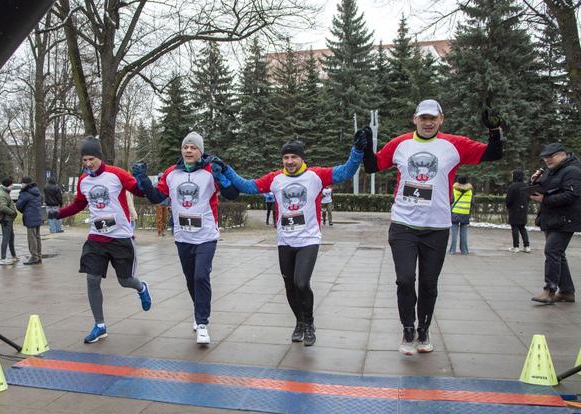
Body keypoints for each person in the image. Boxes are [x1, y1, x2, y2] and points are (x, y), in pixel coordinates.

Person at [361, 99, 503, 355]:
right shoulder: (400, 144)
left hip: (436, 228)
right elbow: (373, 166)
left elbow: (494, 154)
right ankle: (407, 329)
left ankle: (423, 329)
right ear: (415, 119)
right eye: (423, 118)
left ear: (441, 119)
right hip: (403, 225)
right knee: (405, 280)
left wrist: (495, 131)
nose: (428, 123)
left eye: (432, 118)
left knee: (428, 284)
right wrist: (365, 147)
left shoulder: (454, 145)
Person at [222, 137, 365, 346]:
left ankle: (309, 323)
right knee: (289, 286)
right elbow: (247, 186)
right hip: (285, 241)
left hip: (308, 239)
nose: (289, 161)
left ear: (302, 158)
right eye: (286, 157)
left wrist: (357, 151)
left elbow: (346, 171)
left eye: (294, 157)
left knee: (301, 282)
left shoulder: (315, 176)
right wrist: (226, 170)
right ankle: (299, 322)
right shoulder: (276, 178)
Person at [132, 131, 239, 345]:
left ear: (200, 151)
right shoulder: (172, 173)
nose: (188, 150)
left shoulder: (211, 170)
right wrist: (143, 179)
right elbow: (156, 197)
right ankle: (198, 312)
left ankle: (202, 323)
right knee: (191, 280)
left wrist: (224, 176)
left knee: (201, 276)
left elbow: (233, 194)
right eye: (185, 147)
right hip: (183, 236)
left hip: (206, 235)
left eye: (193, 147)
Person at [48, 136, 152, 343]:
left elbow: (139, 191)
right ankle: (100, 325)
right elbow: (79, 203)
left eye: (91, 159)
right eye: (84, 160)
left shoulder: (116, 174)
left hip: (121, 236)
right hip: (97, 237)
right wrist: (58, 214)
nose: (88, 164)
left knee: (125, 281)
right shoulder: (84, 180)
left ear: (99, 157)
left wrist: (143, 179)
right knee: (92, 279)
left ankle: (141, 288)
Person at [529, 143, 581, 304]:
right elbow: (544, 189)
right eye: (545, 157)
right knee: (558, 254)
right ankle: (566, 291)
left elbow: (572, 195)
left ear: (562, 154)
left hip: (566, 219)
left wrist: (545, 199)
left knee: (552, 250)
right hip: (552, 218)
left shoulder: (573, 171)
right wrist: (534, 181)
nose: (547, 160)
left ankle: (549, 290)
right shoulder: (553, 171)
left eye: (550, 156)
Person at [16, 176, 44, 265]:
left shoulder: (25, 193)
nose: (21, 184)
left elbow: (19, 205)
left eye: (22, 183)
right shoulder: (37, 191)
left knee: (32, 238)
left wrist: (23, 210)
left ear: (25, 183)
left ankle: (34, 257)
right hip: (38, 216)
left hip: (30, 217)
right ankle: (39, 256)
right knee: (37, 237)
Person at [0, 177, 19, 265]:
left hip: (9, 219)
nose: (12, 186)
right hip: (6, 219)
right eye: (11, 185)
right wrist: (12, 212)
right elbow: (3, 207)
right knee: (6, 238)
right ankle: (3, 258)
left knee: (11, 237)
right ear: (7, 185)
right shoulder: (2, 194)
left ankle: (13, 255)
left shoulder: (5, 192)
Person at [505, 169, 530, 253]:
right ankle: (527, 246)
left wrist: (508, 206)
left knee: (514, 227)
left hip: (514, 209)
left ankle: (516, 246)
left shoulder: (512, 186)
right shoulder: (526, 185)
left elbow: (508, 200)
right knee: (522, 227)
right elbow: (528, 198)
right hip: (524, 209)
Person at [449, 176, 473, 255]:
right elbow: (472, 203)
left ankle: (452, 250)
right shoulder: (470, 191)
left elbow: (451, 200)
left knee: (454, 233)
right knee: (464, 233)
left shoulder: (454, 190)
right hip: (465, 213)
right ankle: (464, 250)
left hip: (455, 213)